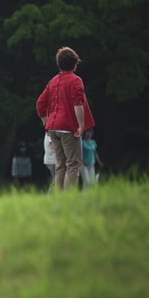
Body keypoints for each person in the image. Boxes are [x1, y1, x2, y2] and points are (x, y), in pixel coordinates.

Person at [36, 46, 94, 191]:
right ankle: (68, 198)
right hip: (68, 127)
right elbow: (78, 103)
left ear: (58, 63)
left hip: (53, 127)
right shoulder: (76, 80)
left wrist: (46, 123)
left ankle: (58, 198)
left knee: (60, 165)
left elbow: (40, 104)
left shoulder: (53, 81)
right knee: (73, 164)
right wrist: (81, 126)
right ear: (75, 64)